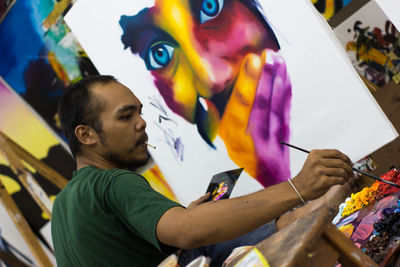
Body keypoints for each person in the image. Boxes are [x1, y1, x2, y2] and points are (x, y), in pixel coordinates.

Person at [51, 75, 354, 267]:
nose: (141, 123)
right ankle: (310, 212)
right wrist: (297, 187)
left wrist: (180, 224)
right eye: (126, 116)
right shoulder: (112, 182)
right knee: (203, 237)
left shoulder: (64, 205)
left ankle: (307, 214)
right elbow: (189, 230)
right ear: (86, 135)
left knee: (204, 235)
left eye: (140, 112)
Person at [119, 0, 292, 187]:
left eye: (210, 7)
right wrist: (272, 174)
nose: (212, 79)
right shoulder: (210, 189)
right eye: (160, 54)